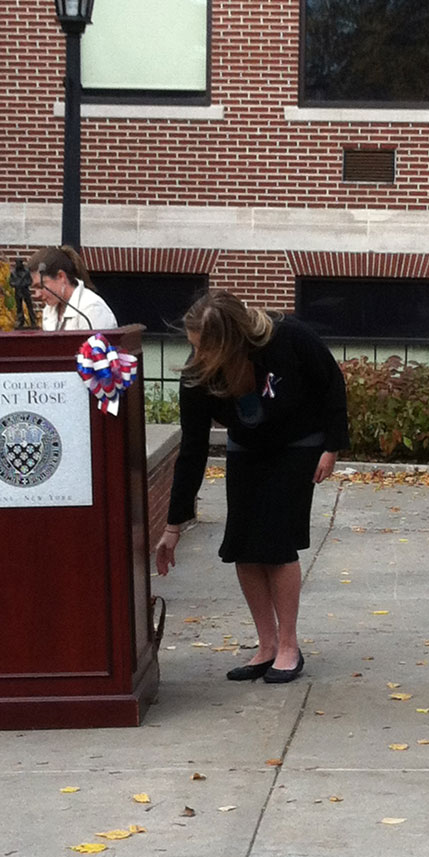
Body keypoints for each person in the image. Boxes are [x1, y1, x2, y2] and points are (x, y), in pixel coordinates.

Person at [155, 289, 348, 684]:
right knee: (243, 543)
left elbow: (331, 382)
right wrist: (174, 526)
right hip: (248, 445)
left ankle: (290, 647)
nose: (196, 357)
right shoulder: (199, 374)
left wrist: (332, 446)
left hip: (299, 442)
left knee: (276, 543)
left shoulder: (287, 336)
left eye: (203, 348)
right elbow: (191, 449)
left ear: (230, 340)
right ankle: (267, 645)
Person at [26, 246, 118, 331]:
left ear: (61, 276)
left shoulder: (92, 309)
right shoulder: (49, 309)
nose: (37, 294)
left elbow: (97, 347)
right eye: (34, 288)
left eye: (41, 286)